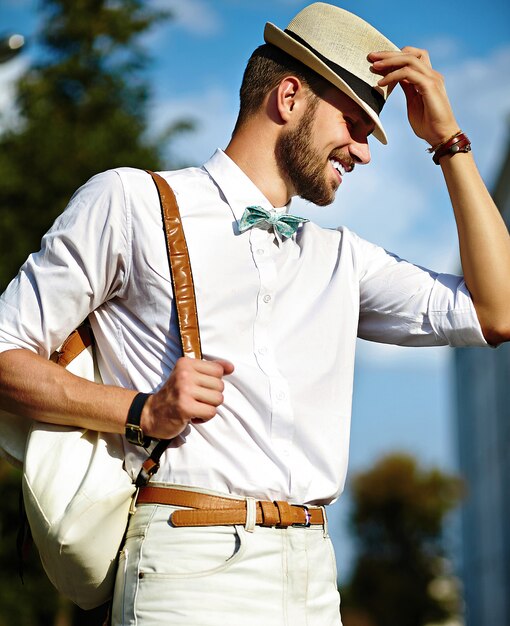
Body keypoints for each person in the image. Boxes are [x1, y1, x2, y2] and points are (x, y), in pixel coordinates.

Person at [0, 3, 509, 625]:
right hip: (188, 565)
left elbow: (497, 312)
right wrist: (142, 410)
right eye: (353, 122)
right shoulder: (131, 201)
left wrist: (449, 143)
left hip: (314, 576)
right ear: (290, 98)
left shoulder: (339, 258)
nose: (364, 152)